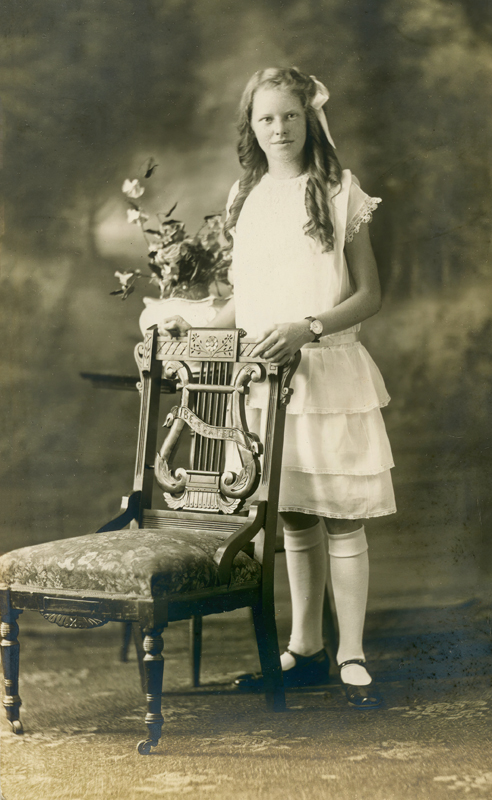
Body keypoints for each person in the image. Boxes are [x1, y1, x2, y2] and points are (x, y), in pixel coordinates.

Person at [159, 67, 396, 709]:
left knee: (341, 515)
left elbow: (370, 294)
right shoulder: (245, 195)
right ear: (251, 127)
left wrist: (310, 327)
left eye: (289, 116)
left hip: (326, 371)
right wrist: (198, 316)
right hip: (263, 381)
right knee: (290, 513)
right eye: (266, 118)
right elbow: (247, 300)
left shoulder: (341, 190)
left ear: (309, 118)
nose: (279, 129)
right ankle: (305, 647)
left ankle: (352, 651)